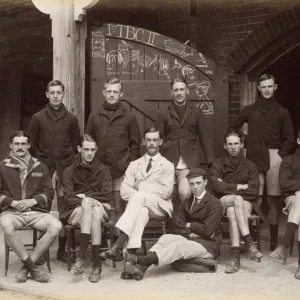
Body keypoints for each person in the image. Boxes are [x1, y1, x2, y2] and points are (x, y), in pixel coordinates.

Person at [228, 73, 295, 250]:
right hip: (254, 157)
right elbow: (232, 128)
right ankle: (253, 240)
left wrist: (280, 155)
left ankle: (273, 241)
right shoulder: (249, 110)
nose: (266, 89)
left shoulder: (282, 112)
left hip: (275, 157)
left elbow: (290, 139)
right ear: (258, 88)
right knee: (254, 198)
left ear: (275, 87)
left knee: (274, 200)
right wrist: (245, 141)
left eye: (269, 86)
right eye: (263, 86)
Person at [122, 167, 223, 280]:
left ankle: (140, 260)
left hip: (209, 245)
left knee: (178, 246)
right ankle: (141, 269)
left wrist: (190, 225)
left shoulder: (215, 203)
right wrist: (193, 232)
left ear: (205, 182)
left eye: (198, 183)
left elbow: (208, 231)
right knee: (166, 238)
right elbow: (176, 225)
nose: (195, 187)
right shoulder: (187, 202)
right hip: (191, 238)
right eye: (191, 184)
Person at [101, 126, 174, 263]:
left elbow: (166, 192)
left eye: (155, 140)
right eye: (148, 140)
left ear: (160, 142)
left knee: (138, 197)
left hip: (159, 206)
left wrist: (140, 186)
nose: (151, 143)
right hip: (140, 207)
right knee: (141, 211)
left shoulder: (167, 165)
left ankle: (118, 244)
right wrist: (150, 190)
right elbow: (123, 191)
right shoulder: (134, 164)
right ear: (143, 142)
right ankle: (130, 256)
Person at [28, 80, 80, 263]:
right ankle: (41, 251)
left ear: (63, 94)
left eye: (59, 93)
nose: (56, 96)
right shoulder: (38, 118)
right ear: (47, 94)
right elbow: (31, 146)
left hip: (65, 169)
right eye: (52, 93)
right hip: (45, 170)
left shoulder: (71, 119)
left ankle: (62, 249)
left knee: (65, 209)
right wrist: (41, 163)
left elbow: (76, 146)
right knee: (42, 209)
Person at [0, 130, 61, 283]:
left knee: (56, 225)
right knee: (6, 224)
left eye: (23, 144)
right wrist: (13, 202)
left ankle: (26, 267)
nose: (20, 147)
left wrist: (31, 201)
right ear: (11, 146)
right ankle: (32, 268)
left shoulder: (40, 166)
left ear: (28, 145)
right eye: (16, 144)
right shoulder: (2, 167)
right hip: (12, 212)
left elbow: (48, 191)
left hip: (35, 212)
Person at [86, 78, 141, 221]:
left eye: (115, 92)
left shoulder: (129, 117)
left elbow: (135, 145)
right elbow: (88, 143)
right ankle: (102, 240)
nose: (111, 94)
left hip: (121, 171)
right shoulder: (94, 117)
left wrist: (129, 165)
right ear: (103, 92)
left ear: (121, 94)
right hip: (100, 171)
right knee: (102, 206)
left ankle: (118, 240)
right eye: (109, 91)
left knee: (118, 207)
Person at [61, 134, 113, 282]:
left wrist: (84, 197)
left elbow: (107, 195)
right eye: (86, 149)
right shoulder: (69, 171)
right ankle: (97, 265)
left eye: (92, 149)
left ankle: (81, 256)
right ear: (79, 149)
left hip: (100, 208)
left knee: (92, 206)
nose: (90, 153)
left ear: (96, 150)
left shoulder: (104, 169)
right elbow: (68, 198)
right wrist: (89, 199)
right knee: (91, 207)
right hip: (76, 212)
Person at [210, 130, 263, 273]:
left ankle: (235, 258)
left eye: (236, 144)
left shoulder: (250, 165)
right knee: (237, 199)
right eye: (230, 144)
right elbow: (216, 186)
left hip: (245, 202)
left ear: (242, 145)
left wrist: (225, 186)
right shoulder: (218, 164)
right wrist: (239, 186)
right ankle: (249, 243)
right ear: (225, 146)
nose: (233, 147)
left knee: (233, 211)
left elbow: (254, 190)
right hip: (222, 201)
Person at [155, 77, 215, 203]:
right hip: (168, 163)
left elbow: (205, 138)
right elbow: (157, 139)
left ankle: (185, 220)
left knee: (185, 192)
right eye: (176, 90)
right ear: (171, 92)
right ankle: (170, 222)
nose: (179, 93)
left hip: (189, 163)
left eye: (182, 89)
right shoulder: (164, 113)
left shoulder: (196, 112)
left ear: (187, 90)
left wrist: (211, 162)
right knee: (167, 195)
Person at [270, 129, 300, 279]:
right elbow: (284, 184)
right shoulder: (289, 160)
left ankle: (283, 245)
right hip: (292, 200)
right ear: (299, 141)